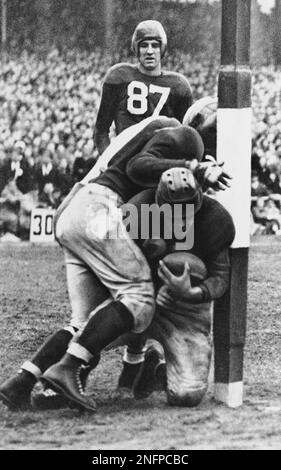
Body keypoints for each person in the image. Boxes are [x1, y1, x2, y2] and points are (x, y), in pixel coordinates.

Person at [0, 110, 230, 411]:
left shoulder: (147, 135)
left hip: (79, 210)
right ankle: (68, 368)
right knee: (138, 297)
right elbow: (138, 167)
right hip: (101, 207)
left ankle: (23, 381)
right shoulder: (183, 139)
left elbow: (117, 168)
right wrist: (195, 166)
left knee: (85, 321)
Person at [93, 20, 193, 155]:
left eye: (155, 45)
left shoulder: (179, 85)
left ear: (162, 48)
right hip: (124, 159)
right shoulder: (119, 76)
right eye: (144, 45)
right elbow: (101, 130)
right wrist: (108, 160)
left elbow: (185, 136)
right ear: (136, 48)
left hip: (159, 161)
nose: (150, 51)